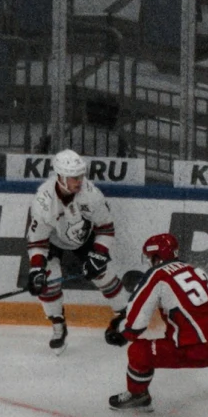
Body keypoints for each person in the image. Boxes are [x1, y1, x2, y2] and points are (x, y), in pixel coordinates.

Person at [108, 230, 208, 410]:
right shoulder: (194, 269)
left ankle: (138, 395)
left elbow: (136, 324)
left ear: (156, 256)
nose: (148, 261)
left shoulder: (156, 275)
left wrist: (120, 333)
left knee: (138, 352)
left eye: (149, 257)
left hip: (200, 350)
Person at [24, 149, 129, 354]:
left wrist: (98, 255)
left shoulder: (91, 195)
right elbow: (37, 241)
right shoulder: (43, 203)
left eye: (81, 175)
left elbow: (106, 228)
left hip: (84, 235)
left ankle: (126, 315)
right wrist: (37, 270)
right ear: (60, 177)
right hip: (53, 240)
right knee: (47, 281)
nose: (79, 181)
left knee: (101, 273)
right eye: (74, 177)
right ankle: (58, 324)